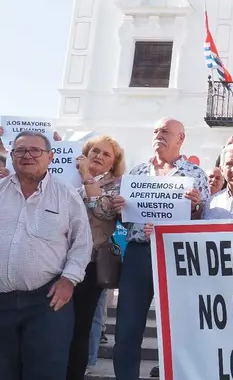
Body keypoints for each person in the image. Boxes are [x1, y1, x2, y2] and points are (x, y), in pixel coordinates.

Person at [113, 118, 209, 380]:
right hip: (138, 255)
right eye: (156, 131)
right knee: (127, 329)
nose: (159, 135)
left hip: (176, 257)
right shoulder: (137, 173)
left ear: (181, 138)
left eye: (165, 131)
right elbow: (125, 219)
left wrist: (196, 207)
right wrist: (119, 206)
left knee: (180, 328)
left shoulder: (195, 174)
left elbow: (204, 220)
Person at [0, 131, 93, 380]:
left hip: (48, 303)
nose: (27, 155)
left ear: (50, 156)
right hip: (2, 303)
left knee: (45, 373)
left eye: (35, 150)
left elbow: (82, 243)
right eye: (20, 150)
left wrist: (69, 279)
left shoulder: (67, 195)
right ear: (11, 155)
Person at [66, 136, 127, 380]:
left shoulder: (116, 186)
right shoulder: (67, 178)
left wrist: (86, 177)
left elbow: (102, 209)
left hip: (89, 263)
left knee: (79, 327)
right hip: (55, 261)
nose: (98, 156)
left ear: (113, 164)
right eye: (95, 151)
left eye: (106, 154)